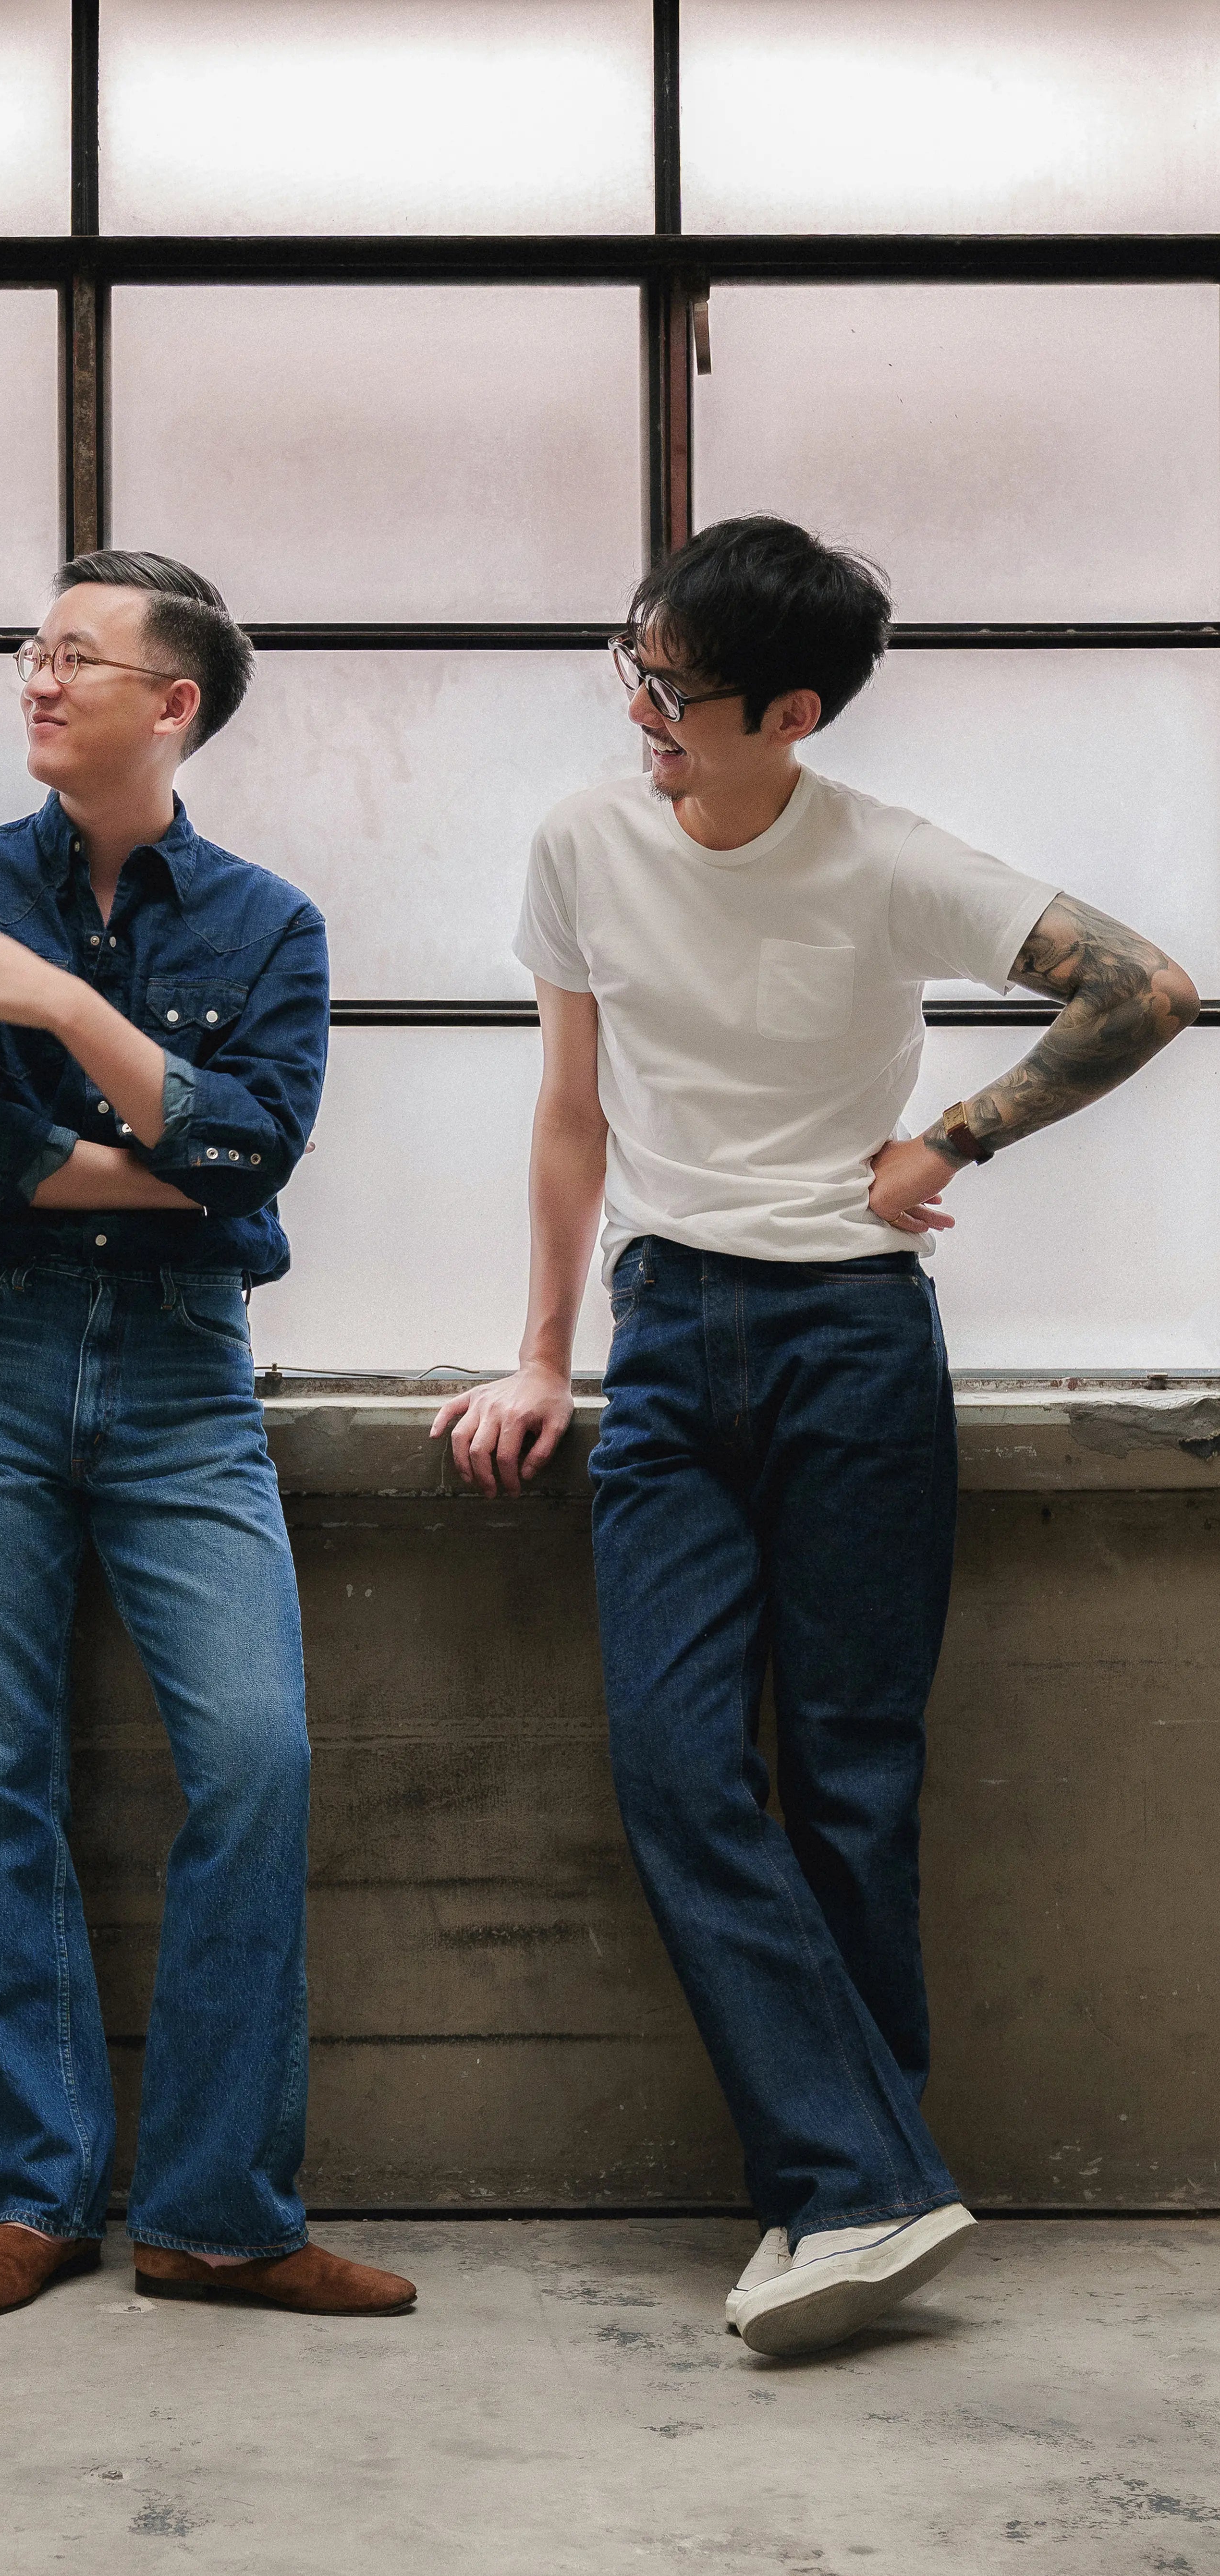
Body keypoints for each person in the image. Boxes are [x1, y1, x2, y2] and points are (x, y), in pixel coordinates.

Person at [433, 515, 1196, 2358]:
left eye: (674, 690)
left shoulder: (890, 862)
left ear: (791, 711)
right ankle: (869, 2180)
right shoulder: (582, 842)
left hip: (858, 1334)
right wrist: (540, 1354)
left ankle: (845, 2201)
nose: (642, 715)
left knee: (854, 1782)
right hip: (669, 1336)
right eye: (633, 667)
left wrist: (958, 1137)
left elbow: (1148, 987)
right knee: (678, 1763)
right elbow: (567, 1112)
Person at [0, 549, 414, 2322]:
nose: (37, 676)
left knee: (254, 1759)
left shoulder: (270, 926)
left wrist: (67, 1013)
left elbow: (261, 1159)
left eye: (76, 655)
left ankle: (216, 2215)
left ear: (173, 701)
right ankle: (34, 2195)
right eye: (32, 647)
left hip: (190, 1377)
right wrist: (167, 1164)